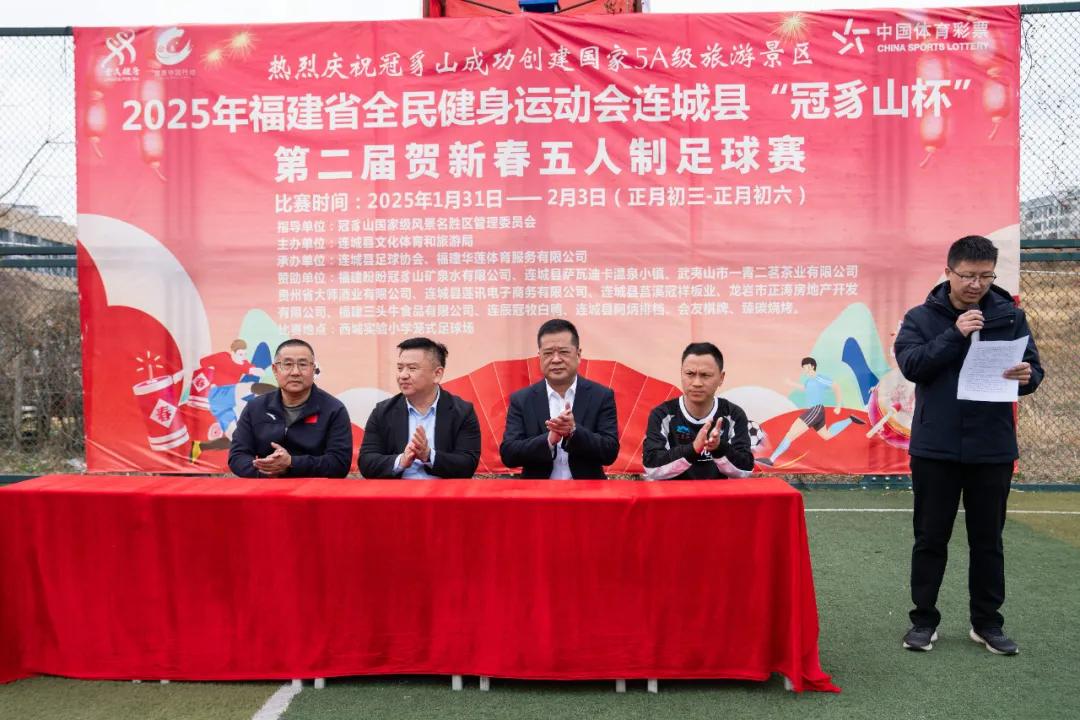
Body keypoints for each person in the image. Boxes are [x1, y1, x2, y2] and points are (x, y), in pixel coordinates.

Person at [894, 235, 1043, 655]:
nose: (976, 284)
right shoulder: (921, 318)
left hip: (992, 447)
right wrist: (954, 334)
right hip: (935, 447)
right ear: (948, 272)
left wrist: (1027, 376)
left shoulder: (1010, 316)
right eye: (968, 276)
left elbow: (1034, 370)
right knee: (930, 538)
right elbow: (912, 365)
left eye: (985, 276)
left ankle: (987, 623)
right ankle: (923, 621)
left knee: (988, 541)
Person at [500, 319, 619, 479]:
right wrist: (548, 440)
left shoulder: (601, 395)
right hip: (537, 491)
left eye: (563, 352)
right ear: (539, 357)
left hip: (587, 491)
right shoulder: (522, 399)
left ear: (578, 354)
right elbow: (509, 454)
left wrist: (574, 432)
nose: (556, 359)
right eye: (548, 353)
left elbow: (610, 451)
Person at [358, 337, 481, 479]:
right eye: (400, 368)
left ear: (437, 374)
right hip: (397, 491)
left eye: (412, 368)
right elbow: (366, 462)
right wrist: (401, 461)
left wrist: (429, 455)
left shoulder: (462, 412)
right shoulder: (383, 412)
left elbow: (467, 465)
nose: (403, 375)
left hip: (443, 491)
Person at [228, 339, 353, 478]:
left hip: (314, 488)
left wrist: (291, 463)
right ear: (275, 370)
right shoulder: (255, 407)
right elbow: (237, 456)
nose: (295, 372)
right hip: (266, 486)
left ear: (313, 369)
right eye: (287, 364)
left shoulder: (334, 409)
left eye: (303, 365)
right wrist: (267, 470)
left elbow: (339, 464)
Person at [643, 342, 755, 480]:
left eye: (705, 375)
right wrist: (693, 449)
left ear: (721, 378)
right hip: (674, 493)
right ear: (681, 374)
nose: (697, 383)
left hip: (720, 493)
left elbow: (745, 469)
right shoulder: (662, 415)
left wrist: (719, 447)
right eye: (690, 374)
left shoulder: (733, 415)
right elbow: (652, 468)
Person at [755, 356, 865, 467]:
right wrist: (791, 384)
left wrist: (838, 406)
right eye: (803, 367)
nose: (804, 369)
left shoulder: (819, 378)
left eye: (806, 366)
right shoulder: (809, 381)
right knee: (826, 435)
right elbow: (805, 388)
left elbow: (835, 386)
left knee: (791, 434)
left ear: (812, 366)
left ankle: (771, 459)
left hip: (815, 409)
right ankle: (850, 420)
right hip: (815, 411)